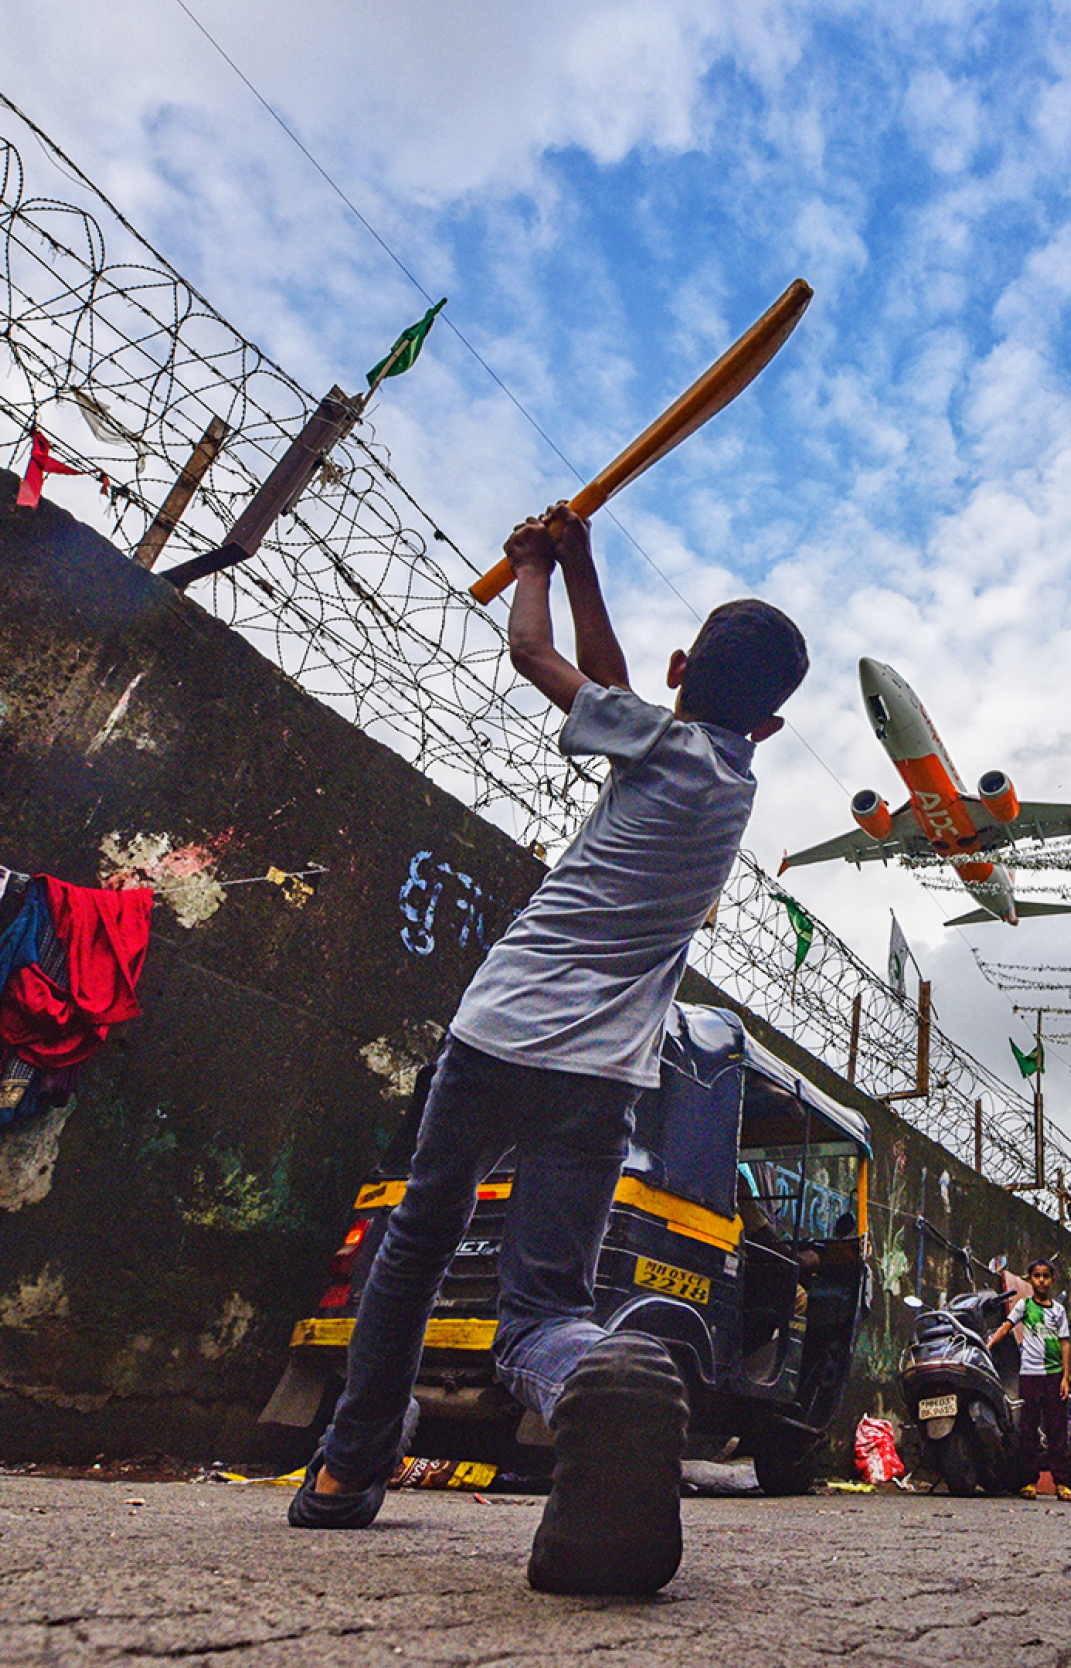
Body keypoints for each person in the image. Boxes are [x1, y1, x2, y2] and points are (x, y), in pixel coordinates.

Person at [288, 506, 809, 1597]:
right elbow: (605, 683)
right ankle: (589, 1369)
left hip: (494, 1038)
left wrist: (530, 566)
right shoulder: (727, 782)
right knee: (544, 1308)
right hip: (603, 1075)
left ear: (679, 670)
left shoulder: (656, 738)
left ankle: (346, 1466)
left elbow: (534, 654)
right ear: (765, 727)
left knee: (417, 1241)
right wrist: (582, 564)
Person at [990, 1258, 1071, 1500]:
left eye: (1046, 1276)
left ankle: (1061, 1483)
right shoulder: (1024, 1306)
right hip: (1030, 1373)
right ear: (1030, 1280)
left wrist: (1065, 1377)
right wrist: (988, 1345)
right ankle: (1029, 1481)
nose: (1041, 1280)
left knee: (1056, 1429)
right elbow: (1006, 1327)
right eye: (1037, 1275)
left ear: (1052, 1280)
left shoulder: (1058, 1311)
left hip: (1053, 1374)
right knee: (1028, 1428)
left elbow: (1065, 1343)